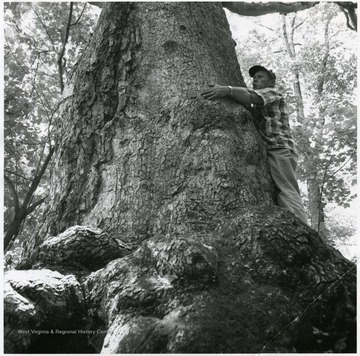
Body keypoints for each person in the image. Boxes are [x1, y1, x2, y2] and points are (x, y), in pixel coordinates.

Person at [201, 65, 308, 224]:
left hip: (280, 149)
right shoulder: (260, 106)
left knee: (287, 190)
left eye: (260, 77)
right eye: (254, 78)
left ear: (271, 82)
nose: (255, 80)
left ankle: (303, 231)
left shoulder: (272, 93)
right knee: (278, 191)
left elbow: (251, 96)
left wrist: (228, 90)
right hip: (273, 150)